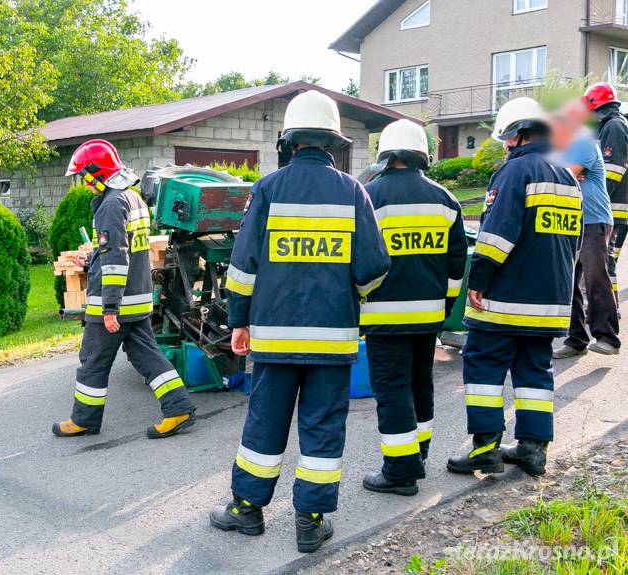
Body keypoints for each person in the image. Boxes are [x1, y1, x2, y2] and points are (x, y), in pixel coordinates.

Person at [209, 91, 391, 553]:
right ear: (333, 142)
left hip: (273, 336)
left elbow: (243, 266)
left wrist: (239, 320)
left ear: (290, 142)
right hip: (332, 339)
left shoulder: (268, 189)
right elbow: (373, 268)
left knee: (265, 421)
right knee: (324, 426)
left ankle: (247, 511)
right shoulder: (354, 191)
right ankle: (310, 522)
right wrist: (355, 299)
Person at [447, 97, 582, 478]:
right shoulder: (568, 177)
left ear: (519, 135)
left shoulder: (515, 172)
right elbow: (575, 241)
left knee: (485, 365)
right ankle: (532, 450)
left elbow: (496, 235)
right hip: (551, 300)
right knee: (535, 371)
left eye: (506, 139)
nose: (505, 146)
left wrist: (480, 279)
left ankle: (485, 450)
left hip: (506, 299)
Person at [52, 139, 197, 439]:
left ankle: (84, 420)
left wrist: (109, 308)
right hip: (138, 298)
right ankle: (178, 407)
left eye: (84, 176)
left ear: (96, 173)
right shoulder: (132, 199)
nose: (84, 183)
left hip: (116, 303)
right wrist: (92, 256)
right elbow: (126, 250)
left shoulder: (110, 204)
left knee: (93, 359)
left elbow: (117, 259)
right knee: (147, 356)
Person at [360, 119, 468, 496]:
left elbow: (358, 262)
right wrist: (445, 306)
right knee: (421, 384)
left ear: (386, 154)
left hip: (382, 316)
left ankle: (400, 472)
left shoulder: (369, 196)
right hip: (428, 317)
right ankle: (418, 454)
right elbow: (457, 266)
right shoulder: (445, 199)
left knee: (391, 391)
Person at [550, 102, 620, 358]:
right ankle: (576, 339)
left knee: (595, 277)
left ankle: (608, 338)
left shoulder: (583, 142)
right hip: (572, 220)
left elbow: (564, 175)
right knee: (569, 281)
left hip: (593, 220)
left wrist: (565, 172)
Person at [584, 82, 628, 325]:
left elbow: (613, 170)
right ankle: (609, 309)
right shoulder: (611, 125)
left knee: (606, 261)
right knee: (607, 261)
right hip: (614, 208)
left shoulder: (613, 126)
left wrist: (597, 195)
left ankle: (609, 312)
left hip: (613, 208)